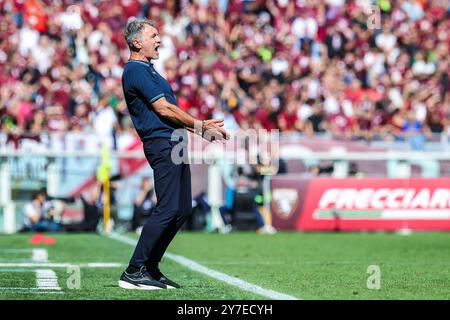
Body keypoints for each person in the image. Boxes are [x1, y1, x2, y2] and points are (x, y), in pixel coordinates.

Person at [119, 18, 228, 290]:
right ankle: (134, 270)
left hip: (175, 141)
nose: (159, 40)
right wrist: (200, 126)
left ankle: (150, 269)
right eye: (153, 35)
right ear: (136, 42)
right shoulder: (135, 70)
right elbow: (164, 109)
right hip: (162, 142)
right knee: (168, 207)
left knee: (181, 209)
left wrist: (195, 130)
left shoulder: (149, 70)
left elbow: (169, 110)